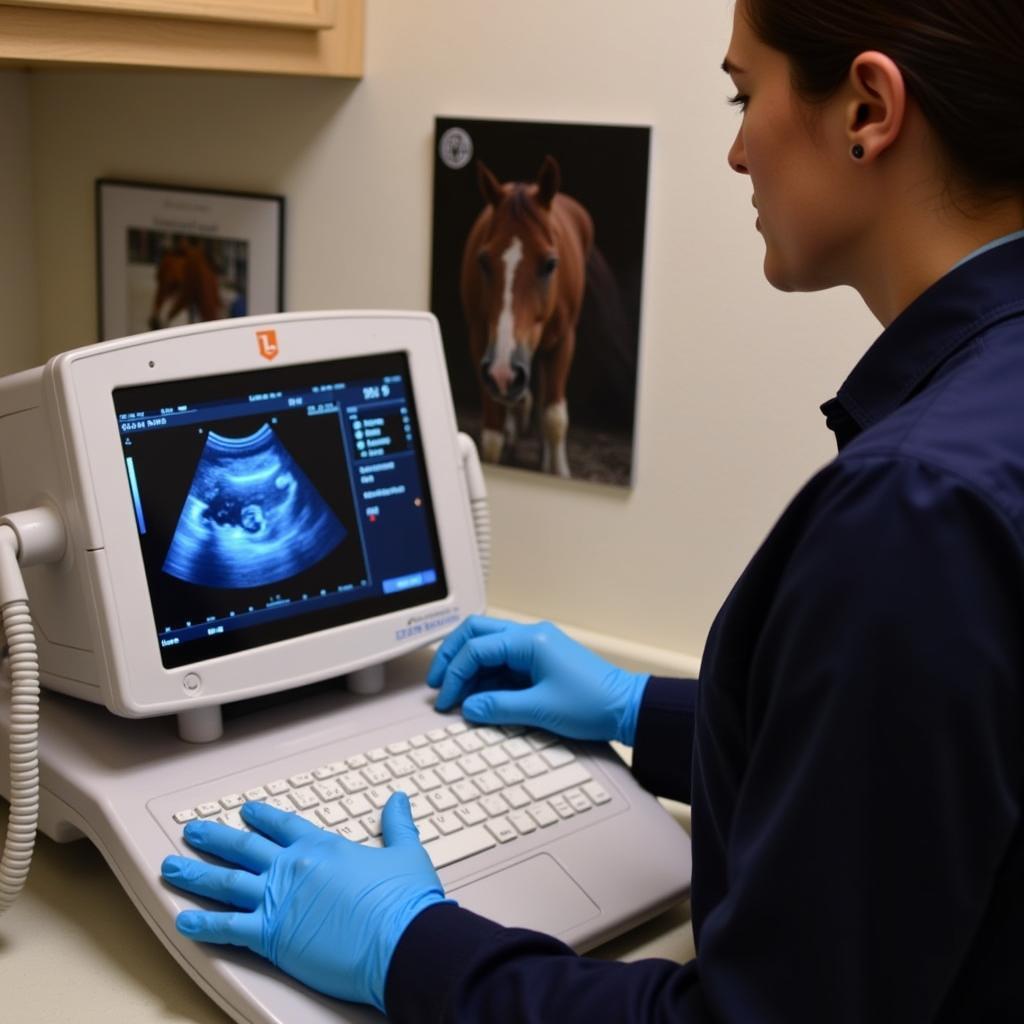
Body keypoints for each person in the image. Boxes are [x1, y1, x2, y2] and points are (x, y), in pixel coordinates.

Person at [160, 0, 1024, 1019]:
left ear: (867, 111)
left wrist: (410, 947)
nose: (739, 150)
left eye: (744, 96)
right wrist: (640, 709)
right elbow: (917, 770)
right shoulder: (979, 427)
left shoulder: (913, 510)